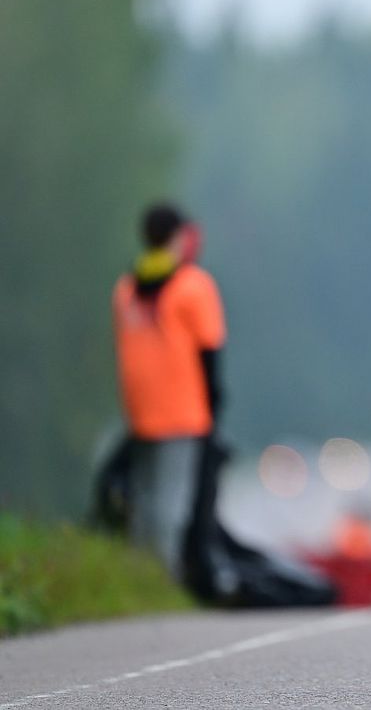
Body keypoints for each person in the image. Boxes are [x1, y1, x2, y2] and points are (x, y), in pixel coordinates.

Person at [112, 203, 226, 578]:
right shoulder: (193, 286)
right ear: (178, 237)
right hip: (183, 411)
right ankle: (164, 579)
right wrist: (214, 402)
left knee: (143, 500)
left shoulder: (126, 290)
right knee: (172, 502)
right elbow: (209, 351)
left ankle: (137, 578)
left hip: (140, 410)